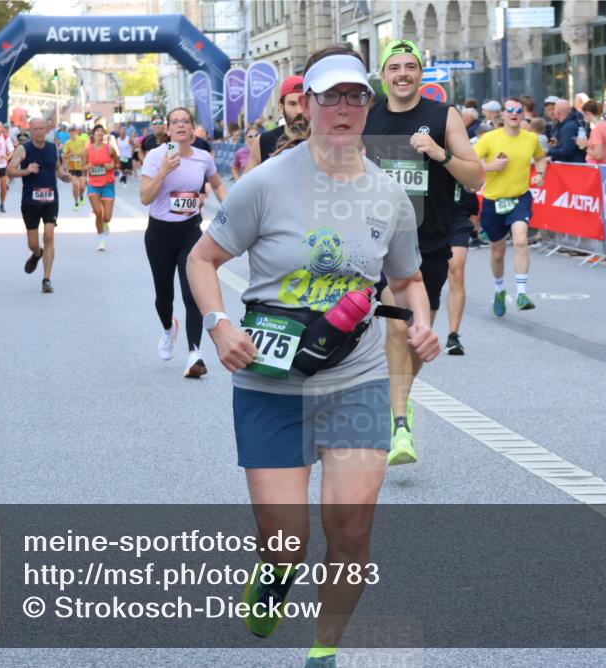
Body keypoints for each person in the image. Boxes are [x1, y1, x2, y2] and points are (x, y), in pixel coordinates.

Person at [186, 44, 439, 668]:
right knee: (285, 543)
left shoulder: (388, 196)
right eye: (331, 97)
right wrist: (219, 327)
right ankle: (271, 579)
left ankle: (323, 654)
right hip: (272, 384)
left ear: (369, 105)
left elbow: (407, 280)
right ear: (308, 105)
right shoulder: (266, 184)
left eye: (356, 96)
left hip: (356, 382)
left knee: (350, 533)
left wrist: (423, 324)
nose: (344, 109)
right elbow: (202, 259)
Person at [363, 38, 483, 466]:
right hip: (377, 246)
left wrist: (439, 153)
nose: (402, 73)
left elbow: (475, 177)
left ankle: (401, 398)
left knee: (416, 336)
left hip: (427, 243)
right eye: (394, 66)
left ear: (420, 73)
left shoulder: (441, 115)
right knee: (398, 329)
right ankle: (399, 425)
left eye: (409, 66)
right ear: (383, 75)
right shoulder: (368, 117)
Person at [140, 107, 227, 378]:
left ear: (192, 129)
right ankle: (168, 328)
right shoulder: (156, 156)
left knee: (192, 293)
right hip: (159, 234)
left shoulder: (202, 158)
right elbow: (145, 197)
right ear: (168, 129)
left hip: (190, 231)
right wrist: (164, 171)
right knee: (164, 296)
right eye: (175, 122)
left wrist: (232, 210)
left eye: (185, 122)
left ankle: (194, 355)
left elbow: (218, 184)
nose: (180, 126)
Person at [474, 97, 549, 317]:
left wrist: (540, 174)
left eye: (518, 110)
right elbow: (470, 162)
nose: (514, 113)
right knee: (497, 252)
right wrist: (490, 166)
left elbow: (541, 158)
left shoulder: (531, 139)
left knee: (520, 238)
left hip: (519, 198)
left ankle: (522, 293)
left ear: (523, 114)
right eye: (510, 110)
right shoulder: (489, 138)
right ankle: (499, 290)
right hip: (493, 200)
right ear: (503, 115)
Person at [6, 117, 72, 294]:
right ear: (31, 130)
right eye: (35, 129)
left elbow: (57, 168)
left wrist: (64, 176)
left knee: (49, 236)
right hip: (30, 201)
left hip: (50, 199)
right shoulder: (23, 149)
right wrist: (26, 170)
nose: (39, 132)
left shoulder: (53, 148)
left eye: (42, 128)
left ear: (47, 129)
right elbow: (9, 170)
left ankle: (46, 279)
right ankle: (36, 253)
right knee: (33, 243)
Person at [445, 180, 480, 355]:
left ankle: (453, 336)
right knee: (421, 277)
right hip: (426, 220)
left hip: (458, 219)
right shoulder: (420, 154)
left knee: (456, 269)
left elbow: (476, 180)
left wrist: (470, 183)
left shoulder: (460, 154)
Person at [244, 75, 306, 172]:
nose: (299, 110)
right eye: (292, 104)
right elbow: (246, 184)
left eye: (304, 103)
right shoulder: (262, 142)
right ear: (281, 107)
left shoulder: (324, 140)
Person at [83, 124, 118, 251]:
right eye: (97, 131)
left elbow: (116, 163)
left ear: (104, 134)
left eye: (102, 131)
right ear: (93, 134)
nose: (99, 133)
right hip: (93, 184)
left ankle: (104, 223)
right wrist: (89, 167)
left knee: (107, 217)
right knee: (98, 212)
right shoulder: (87, 150)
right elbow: (83, 167)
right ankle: (101, 240)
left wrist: (111, 165)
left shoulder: (109, 148)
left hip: (107, 183)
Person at [578, 100, 606, 165]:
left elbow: (598, 155)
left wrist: (584, 147)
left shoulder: (597, 129)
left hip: (595, 167)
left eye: (584, 114)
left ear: (587, 113)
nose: (584, 118)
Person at [62, 126, 87, 209]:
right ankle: (76, 202)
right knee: (75, 184)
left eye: (74, 132)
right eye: (70, 132)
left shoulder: (82, 141)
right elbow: (64, 156)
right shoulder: (67, 143)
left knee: (82, 186)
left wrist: (83, 155)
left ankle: (81, 194)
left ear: (76, 132)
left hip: (81, 167)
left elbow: (87, 152)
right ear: (68, 133)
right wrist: (70, 154)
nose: (72, 134)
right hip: (72, 167)